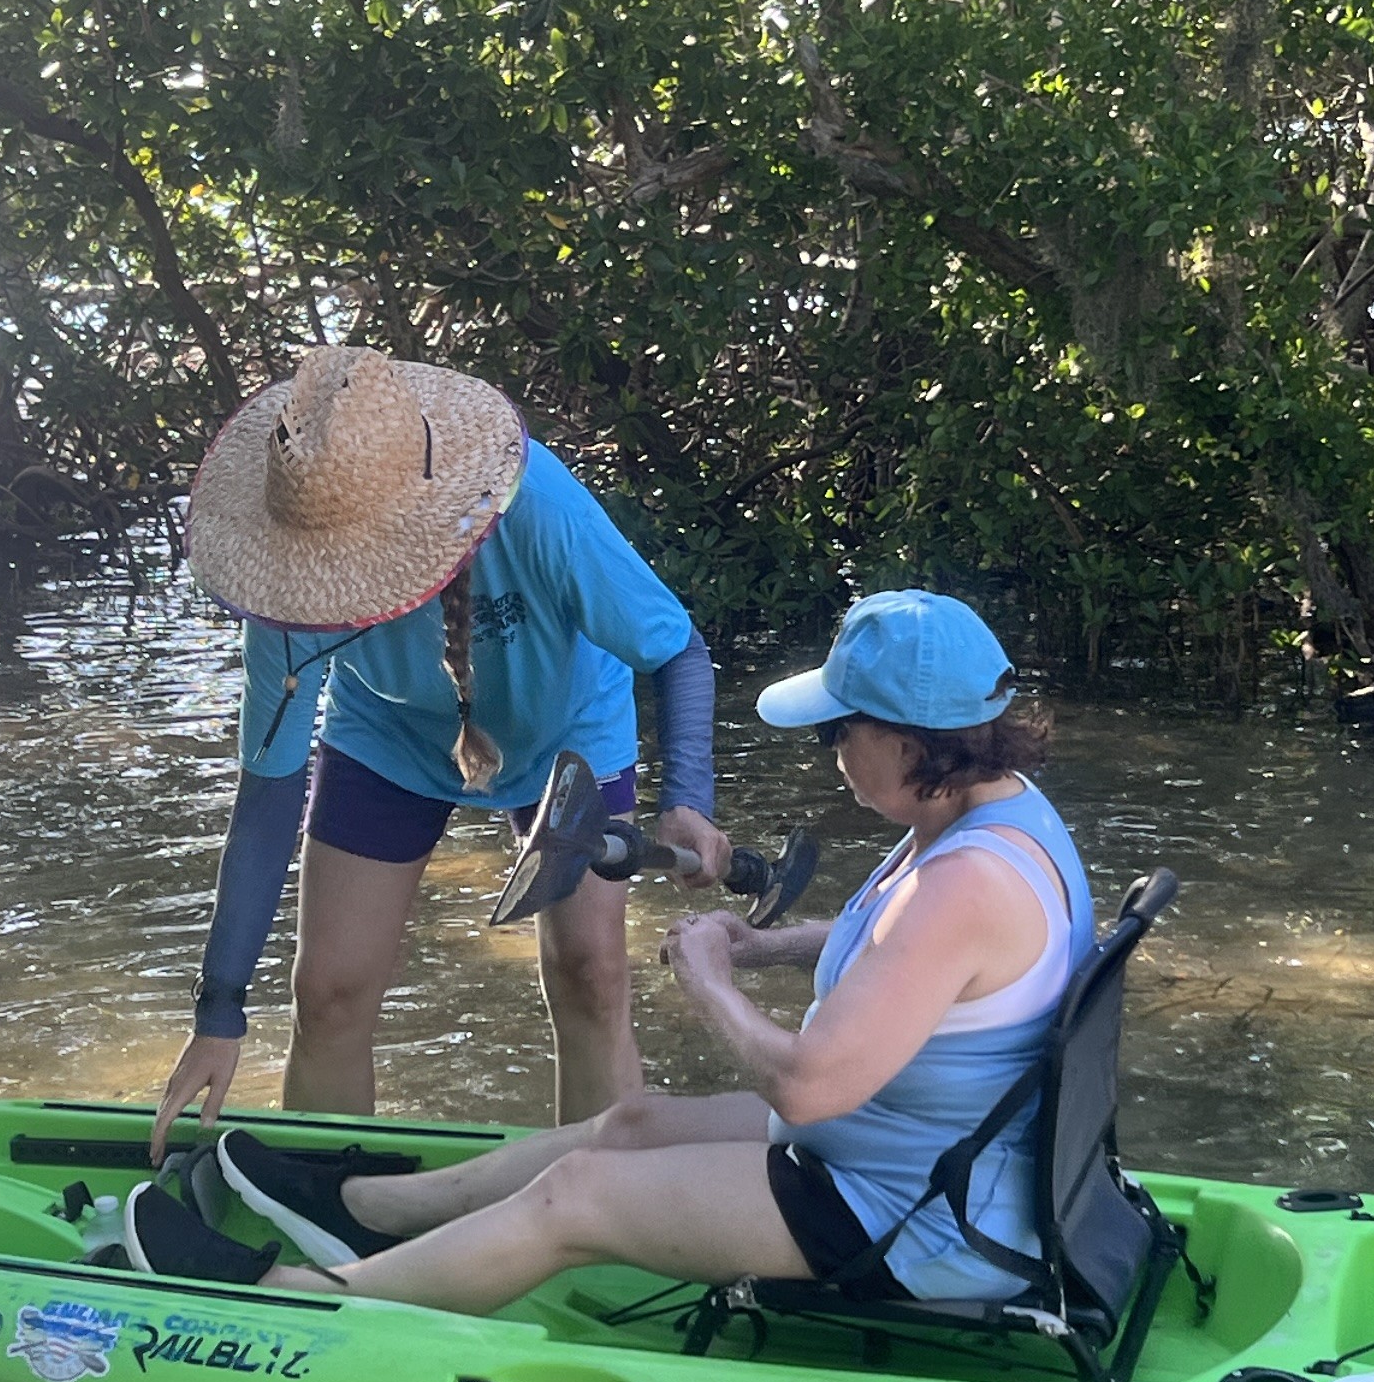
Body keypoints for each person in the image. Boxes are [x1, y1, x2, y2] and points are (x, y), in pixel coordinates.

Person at [131, 590, 1089, 1318]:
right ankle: (373, 1206)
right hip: (916, 1156)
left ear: (912, 739)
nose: (831, 752)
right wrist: (766, 944)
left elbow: (805, 1090)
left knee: (578, 1197)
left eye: (842, 731)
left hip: (905, 1214)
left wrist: (711, 980)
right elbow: (910, 956)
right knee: (626, 1124)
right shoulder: (997, 819)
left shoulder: (963, 884)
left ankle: (307, 1295)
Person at [152, 344, 731, 1150]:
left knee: (592, 977)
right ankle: (323, 1214)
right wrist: (219, 1009)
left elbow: (676, 650)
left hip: (566, 725)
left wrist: (687, 802)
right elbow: (268, 794)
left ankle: (604, 1206)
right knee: (329, 994)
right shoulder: (282, 587)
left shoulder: (539, 509)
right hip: (387, 732)